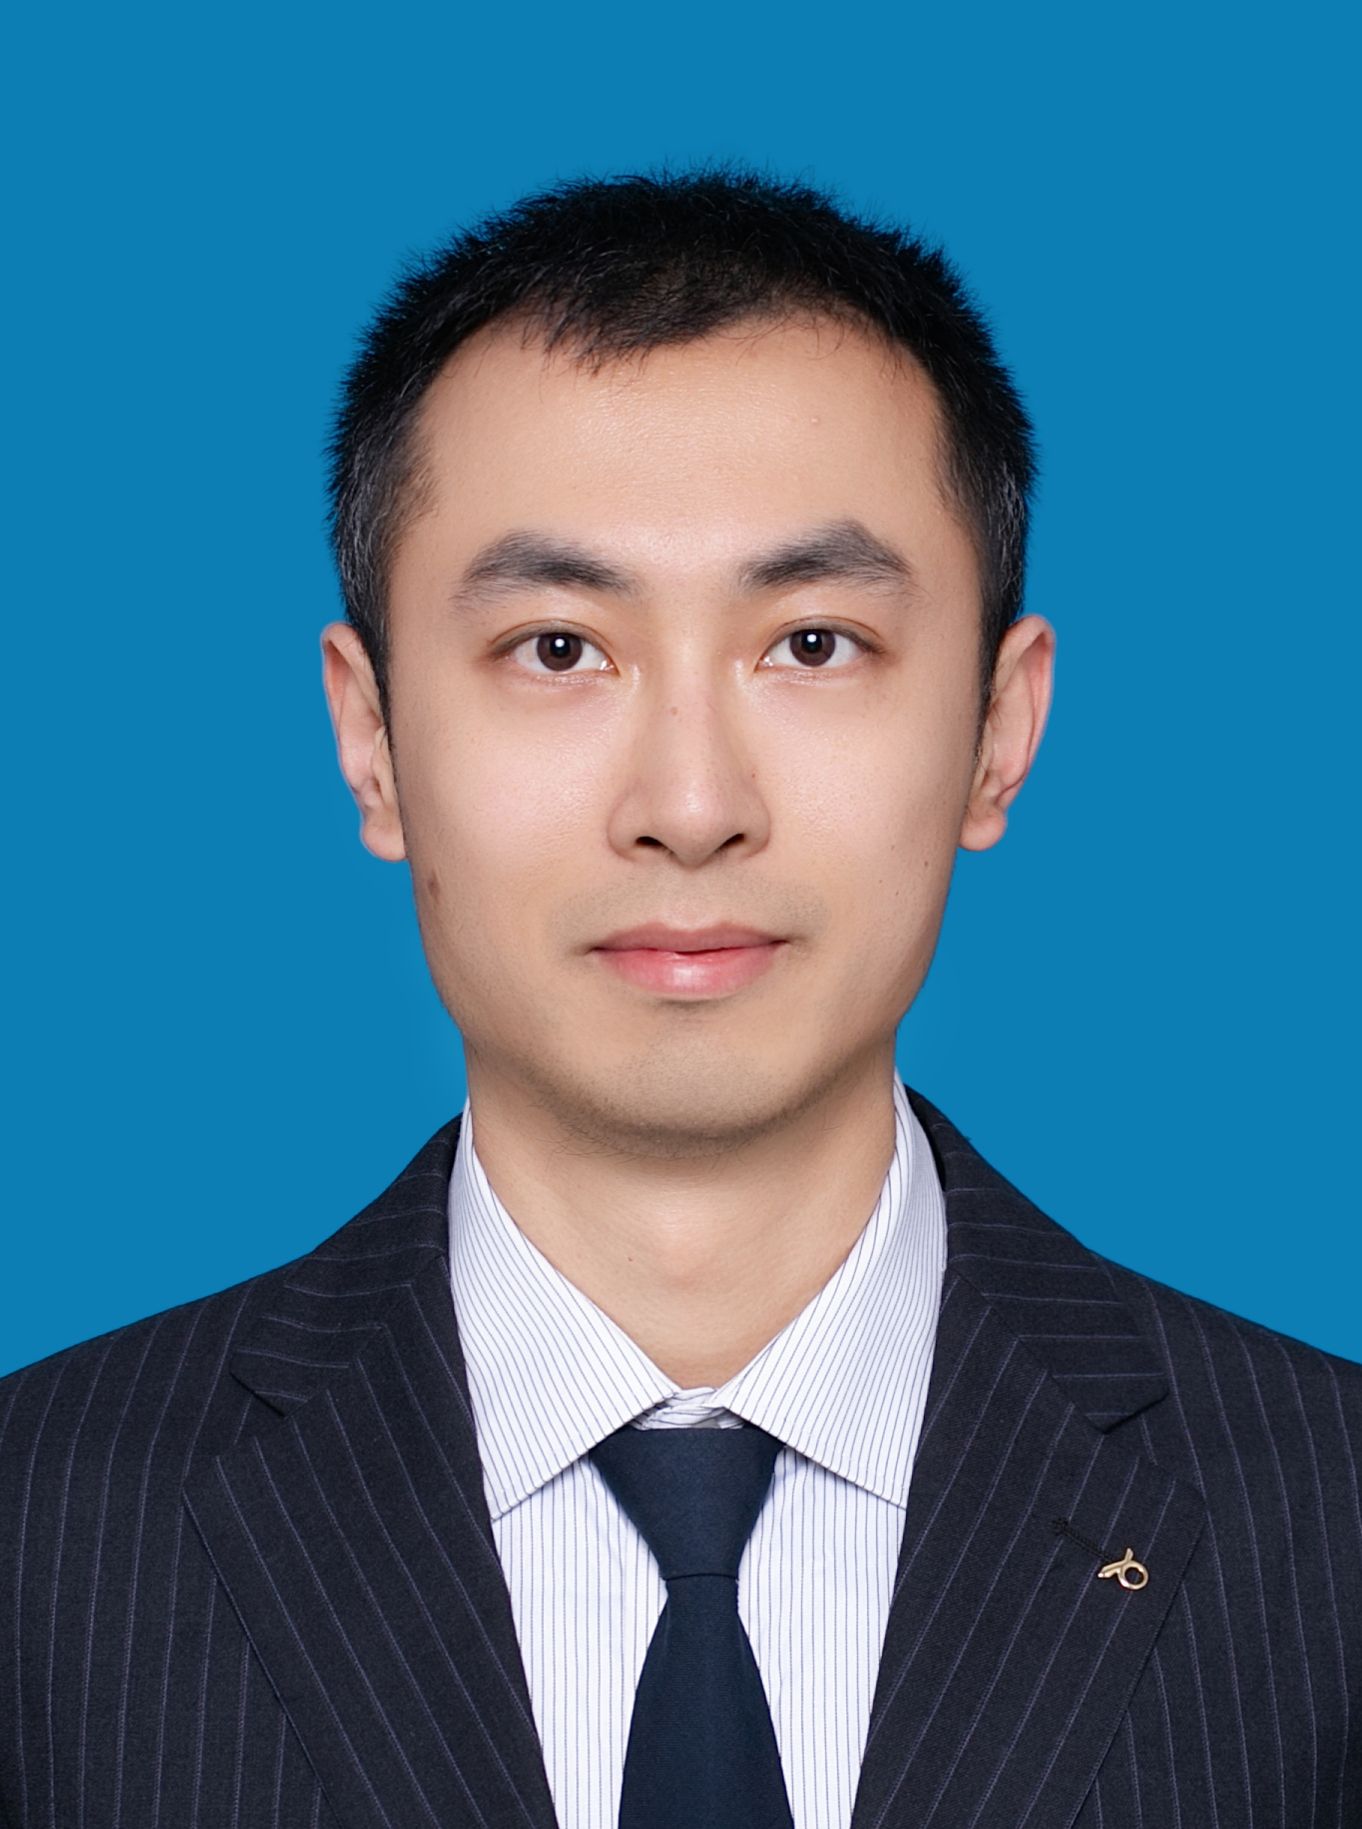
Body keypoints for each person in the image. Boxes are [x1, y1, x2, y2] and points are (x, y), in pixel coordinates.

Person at [1, 168, 1357, 1829]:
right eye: (559, 648)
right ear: (372, 740)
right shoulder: (41, 1534)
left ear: (998, 730)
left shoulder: (1326, 1521)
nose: (691, 805)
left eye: (813, 643)